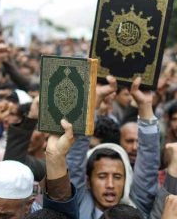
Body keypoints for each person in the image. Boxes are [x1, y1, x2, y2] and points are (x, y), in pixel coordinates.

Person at [67, 76, 160, 218]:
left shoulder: (136, 205)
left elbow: (148, 165)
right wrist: (95, 100)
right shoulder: (78, 206)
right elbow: (75, 158)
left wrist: (145, 106)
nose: (110, 185)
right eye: (102, 176)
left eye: (117, 177)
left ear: (127, 179)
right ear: (89, 181)